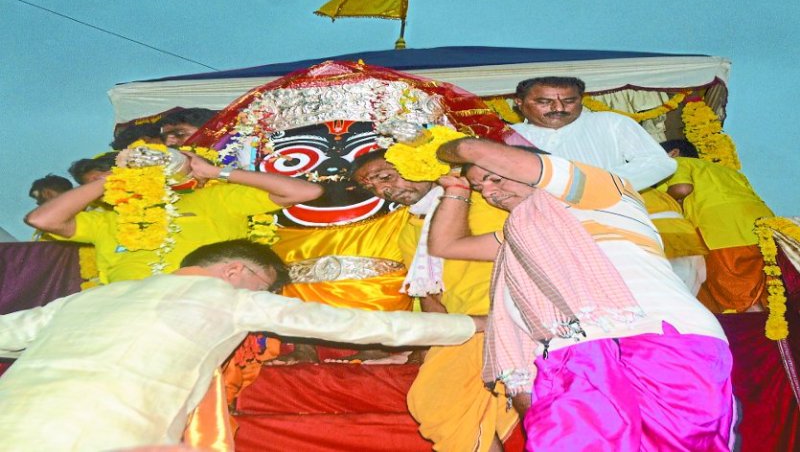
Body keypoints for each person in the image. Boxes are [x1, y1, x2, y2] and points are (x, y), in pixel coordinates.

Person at [0, 239, 479, 451]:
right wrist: (472, 325)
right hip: (109, 437)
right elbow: (355, 325)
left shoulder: (92, 297)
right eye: (265, 288)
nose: (264, 300)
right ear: (236, 271)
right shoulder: (224, 296)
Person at [430, 138, 734, 451]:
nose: (490, 194)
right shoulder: (522, 232)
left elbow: (469, 149)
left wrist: (439, 153)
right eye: (481, 188)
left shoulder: (602, 190)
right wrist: (458, 189)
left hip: (660, 334)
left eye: (495, 177)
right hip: (567, 350)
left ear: (534, 167)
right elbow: (446, 246)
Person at [352, 149, 519, 452]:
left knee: (435, 402)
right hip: (466, 324)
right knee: (461, 408)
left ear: (417, 163)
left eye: (384, 177)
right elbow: (429, 294)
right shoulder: (409, 229)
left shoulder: (483, 200)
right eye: (370, 187)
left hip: (505, 314)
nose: (382, 190)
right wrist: (429, 346)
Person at [26, 151, 323, 284]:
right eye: (93, 184)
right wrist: (111, 180)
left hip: (200, 306)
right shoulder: (105, 220)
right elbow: (43, 220)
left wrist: (216, 173)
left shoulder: (214, 197)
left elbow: (305, 192)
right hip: (125, 309)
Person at [659, 139, 774, 312]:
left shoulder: (677, 163)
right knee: (767, 287)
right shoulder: (728, 172)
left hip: (722, 230)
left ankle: (759, 332)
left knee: (735, 290)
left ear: (673, 153)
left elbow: (682, 189)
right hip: (762, 227)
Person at [508, 76, 675, 191]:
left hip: (607, 218)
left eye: (569, 101)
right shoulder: (508, 136)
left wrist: (595, 185)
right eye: (544, 102)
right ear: (519, 103)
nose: (558, 108)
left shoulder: (609, 122)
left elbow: (658, 162)